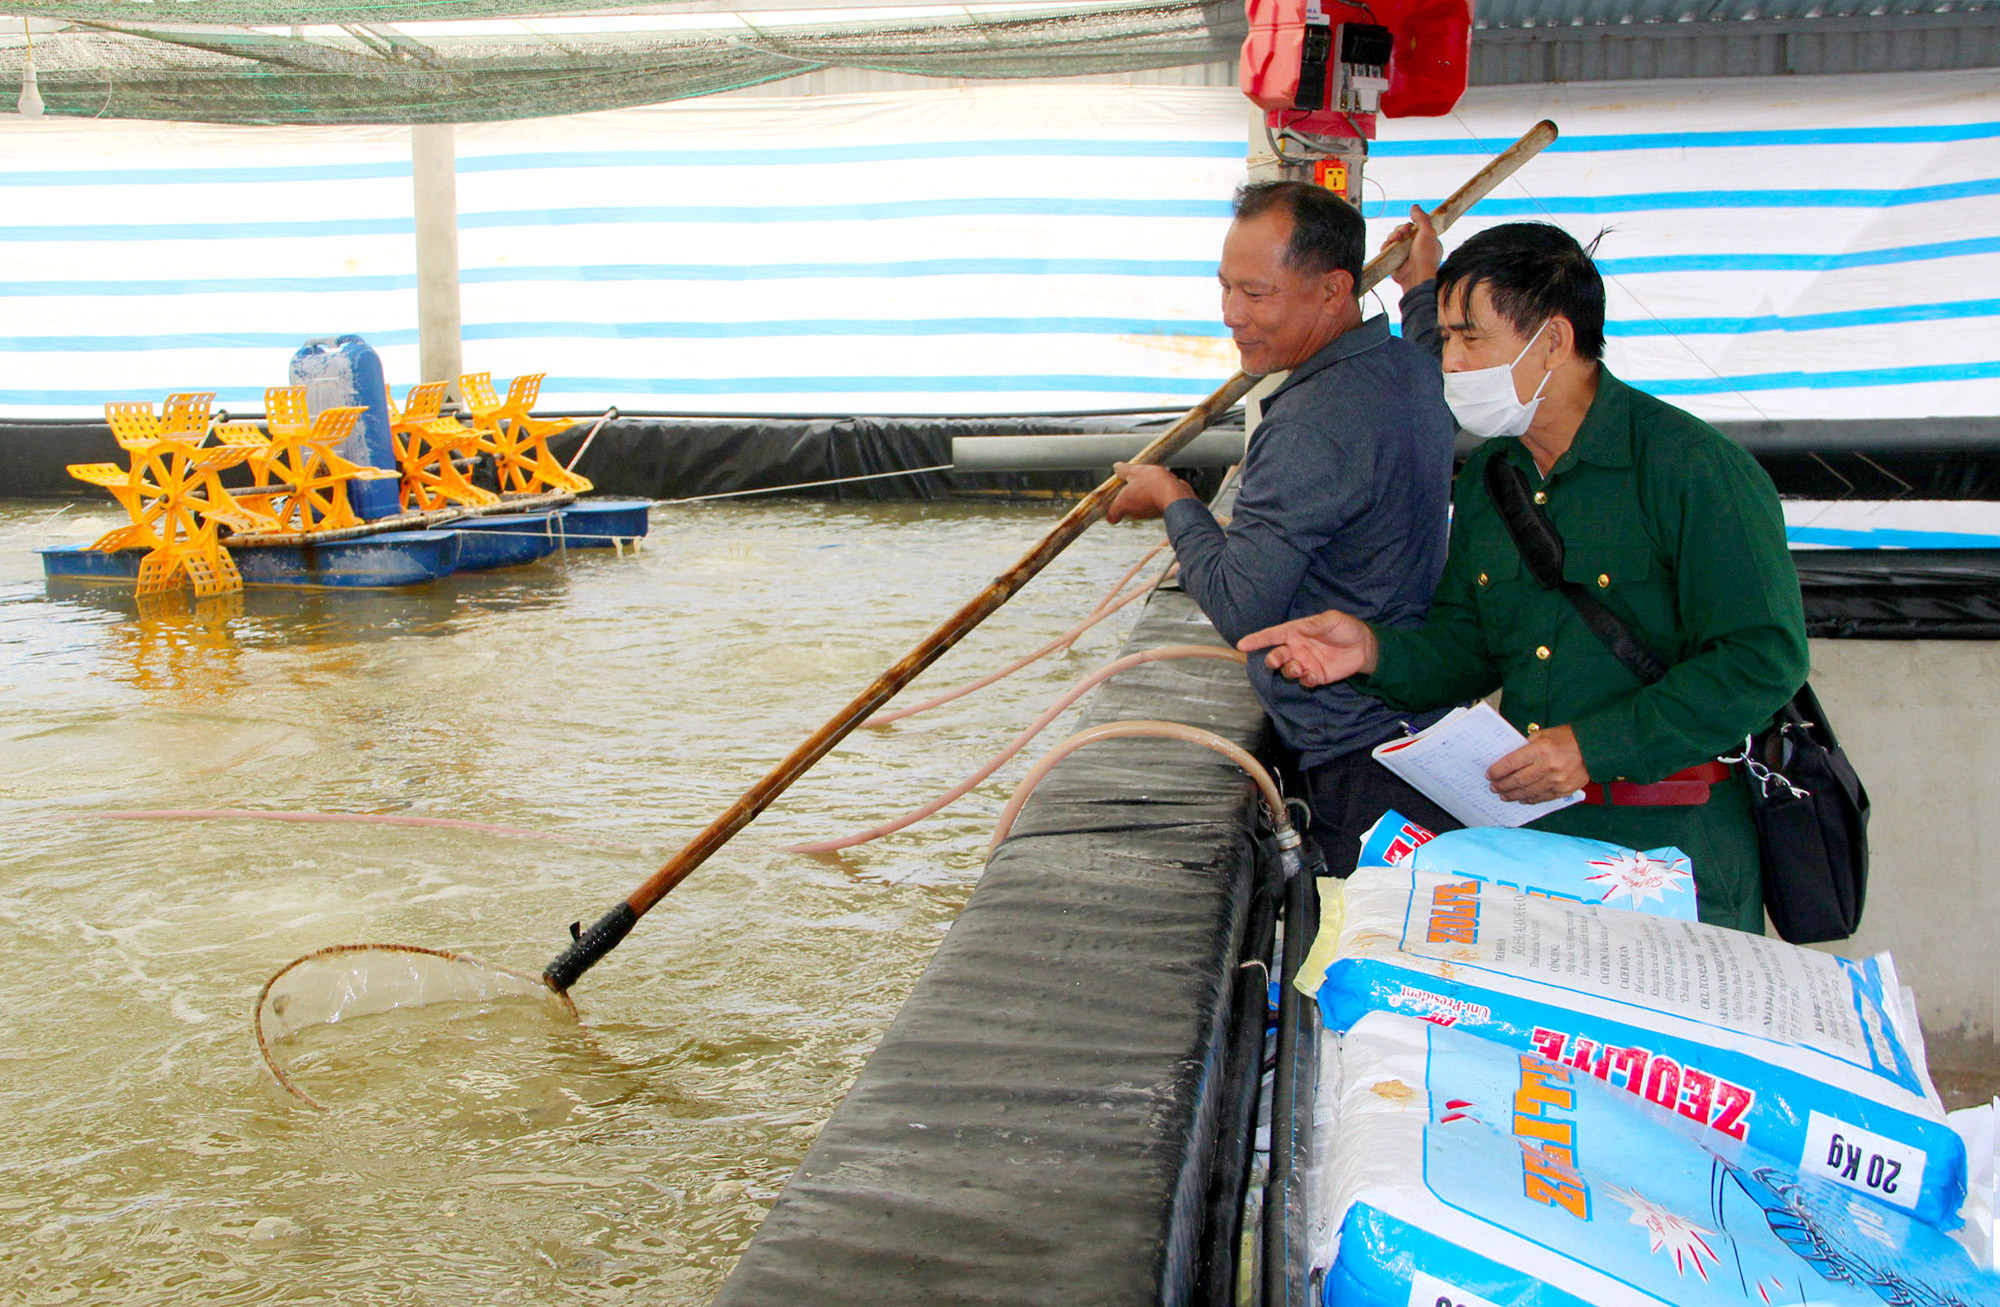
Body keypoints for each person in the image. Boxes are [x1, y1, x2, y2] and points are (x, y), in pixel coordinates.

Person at [1238, 215, 1808, 932]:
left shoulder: (1693, 470)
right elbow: (1469, 647)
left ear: (1555, 342)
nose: (1450, 361)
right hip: (1535, 850)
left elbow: (1764, 659)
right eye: (1445, 337)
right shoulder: (1491, 480)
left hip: (1671, 851)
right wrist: (1373, 650)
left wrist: (1589, 749)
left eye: (1471, 336)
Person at [1104, 180, 1462, 867]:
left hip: (1355, 761)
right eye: (1225, 287)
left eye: (1256, 294)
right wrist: (1423, 285)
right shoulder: (1408, 372)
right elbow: (1434, 354)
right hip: (1422, 730)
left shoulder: (1309, 424)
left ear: (1333, 292)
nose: (1232, 314)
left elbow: (1244, 609)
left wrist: (1175, 499)